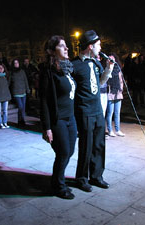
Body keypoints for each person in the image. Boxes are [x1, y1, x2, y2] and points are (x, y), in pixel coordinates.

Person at [71, 30, 113, 192]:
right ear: (90, 46)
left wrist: (108, 70)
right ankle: (81, 178)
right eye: (98, 45)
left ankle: (97, 176)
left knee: (99, 145)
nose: (101, 47)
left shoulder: (96, 63)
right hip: (84, 112)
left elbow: (100, 84)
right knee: (86, 146)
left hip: (97, 111)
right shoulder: (75, 65)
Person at [40, 35, 77, 199]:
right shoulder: (48, 72)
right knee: (63, 153)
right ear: (52, 51)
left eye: (66, 45)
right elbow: (44, 101)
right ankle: (58, 186)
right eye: (62, 46)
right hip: (58, 120)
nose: (67, 48)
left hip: (71, 118)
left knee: (69, 152)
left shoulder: (68, 68)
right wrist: (47, 127)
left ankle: (57, 180)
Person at [106, 53, 125, 137]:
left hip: (118, 93)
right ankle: (110, 130)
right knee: (110, 113)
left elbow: (121, 81)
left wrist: (120, 90)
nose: (111, 61)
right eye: (109, 59)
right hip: (110, 93)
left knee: (117, 113)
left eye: (113, 59)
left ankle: (118, 130)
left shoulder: (118, 70)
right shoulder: (106, 69)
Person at [10, 59, 30, 126]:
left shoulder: (22, 71)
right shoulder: (11, 73)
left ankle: (22, 120)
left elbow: (25, 80)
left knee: (23, 107)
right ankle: (20, 120)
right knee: (20, 107)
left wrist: (27, 89)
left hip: (23, 92)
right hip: (16, 92)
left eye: (17, 63)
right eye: (15, 63)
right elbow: (9, 83)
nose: (16, 64)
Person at [0, 63, 11, 129]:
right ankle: (0, 123)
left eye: (2, 68)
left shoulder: (5, 76)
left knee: (5, 110)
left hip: (5, 96)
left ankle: (5, 122)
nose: (1, 69)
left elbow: (7, 86)